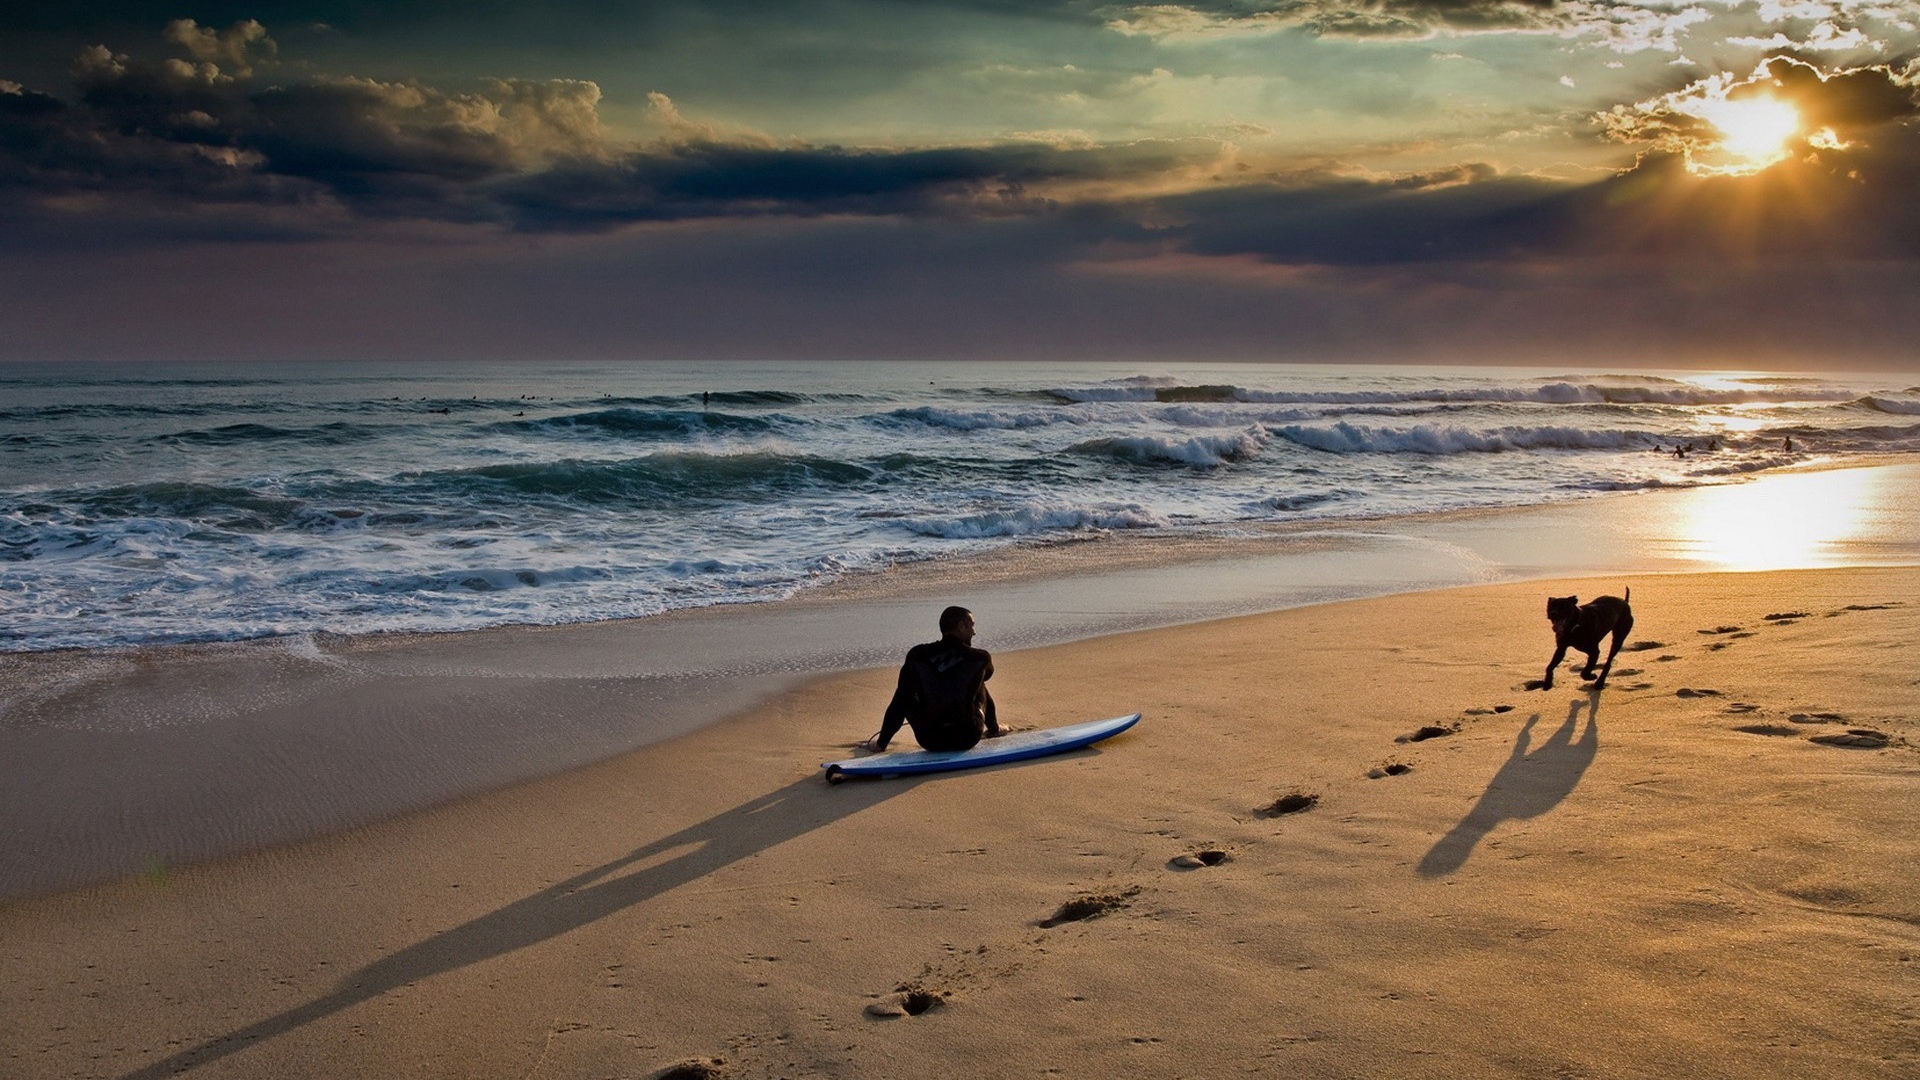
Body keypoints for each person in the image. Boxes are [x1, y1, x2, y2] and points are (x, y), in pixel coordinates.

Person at [863, 606, 1003, 753]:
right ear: (961, 626)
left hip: (930, 740)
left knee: (905, 692)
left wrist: (882, 742)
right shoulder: (979, 658)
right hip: (967, 736)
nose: (974, 632)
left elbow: (900, 702)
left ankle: (880, 745)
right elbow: (987, 675)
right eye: (971, 626)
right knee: (978, 679)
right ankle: (994, 729)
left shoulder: (917, 655)